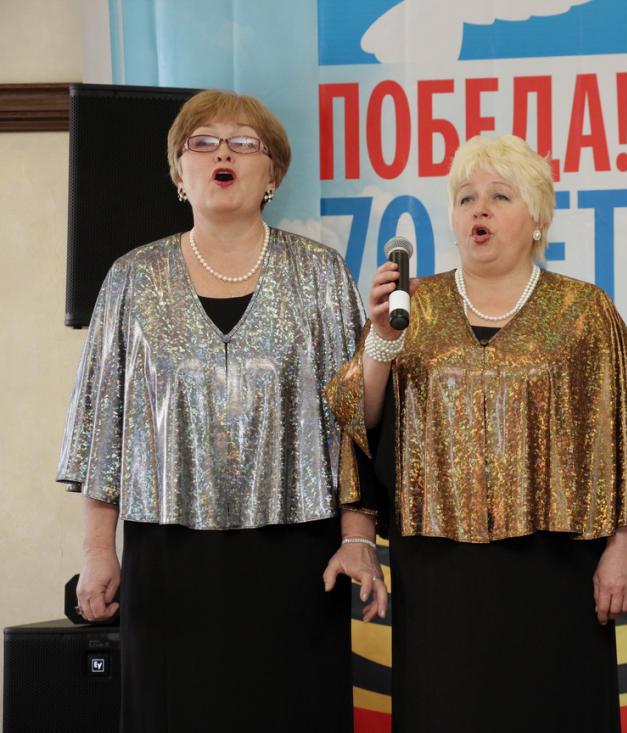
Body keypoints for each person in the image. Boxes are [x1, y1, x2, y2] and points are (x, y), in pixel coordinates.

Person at [57, 89, 384, 733]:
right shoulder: (130, 278)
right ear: (179, 175)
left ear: (273, 173)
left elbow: (352, 423)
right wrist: (98, 550)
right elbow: (103, 429)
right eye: (203, 143)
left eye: (244, 143)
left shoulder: (321, 274)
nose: (222, 153)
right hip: (168, 560)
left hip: (296, 558)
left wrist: (357, 537)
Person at [325, 134, 627, 733]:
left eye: (500, 196)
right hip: (439, 570)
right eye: (466, 198)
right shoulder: (411, 307)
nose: (478, 209)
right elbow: (359, 420)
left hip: (555, 567)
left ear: (537, 220)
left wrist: (621, 549)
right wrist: (381, 339)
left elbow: (625, 440)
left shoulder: (584, 310)